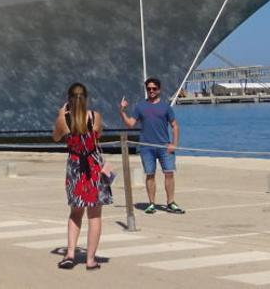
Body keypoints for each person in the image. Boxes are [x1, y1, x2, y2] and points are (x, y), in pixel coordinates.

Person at [53, 83, 111, 270]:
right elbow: (97, 136)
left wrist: (61, 115)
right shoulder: (95, 117)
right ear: (86, 98)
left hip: (75, 168)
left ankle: (70, 254)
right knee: (94, 215)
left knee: (75, 212)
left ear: (68, 99)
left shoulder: (64, 120)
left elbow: (55, 137)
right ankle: (90, 259)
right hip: (93, 167)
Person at [120, 77, 185, 214]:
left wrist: (174, 144)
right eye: (149, 88)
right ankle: (151, 204)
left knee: (169, 174)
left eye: (154, 88)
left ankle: (170, 202)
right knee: (150, 175)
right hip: (146, 147)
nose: (151, 91)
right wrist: (122, 111)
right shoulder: (140, 106)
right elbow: (131, 123)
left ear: (159, 90)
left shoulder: (166, 107)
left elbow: (175, 126)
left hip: (164, 146)